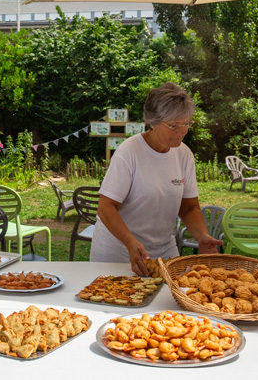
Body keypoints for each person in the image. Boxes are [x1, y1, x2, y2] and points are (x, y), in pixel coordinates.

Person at [90, 82, 222, 276]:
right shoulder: (129, 152)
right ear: (152, 122)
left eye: (186, 123)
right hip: (119, 250)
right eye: (173, 126)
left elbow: (188, 207)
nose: (182, 131)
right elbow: (106, 207)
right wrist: (130, 243)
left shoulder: (184, 154)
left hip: (163, 249)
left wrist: (201, 235)